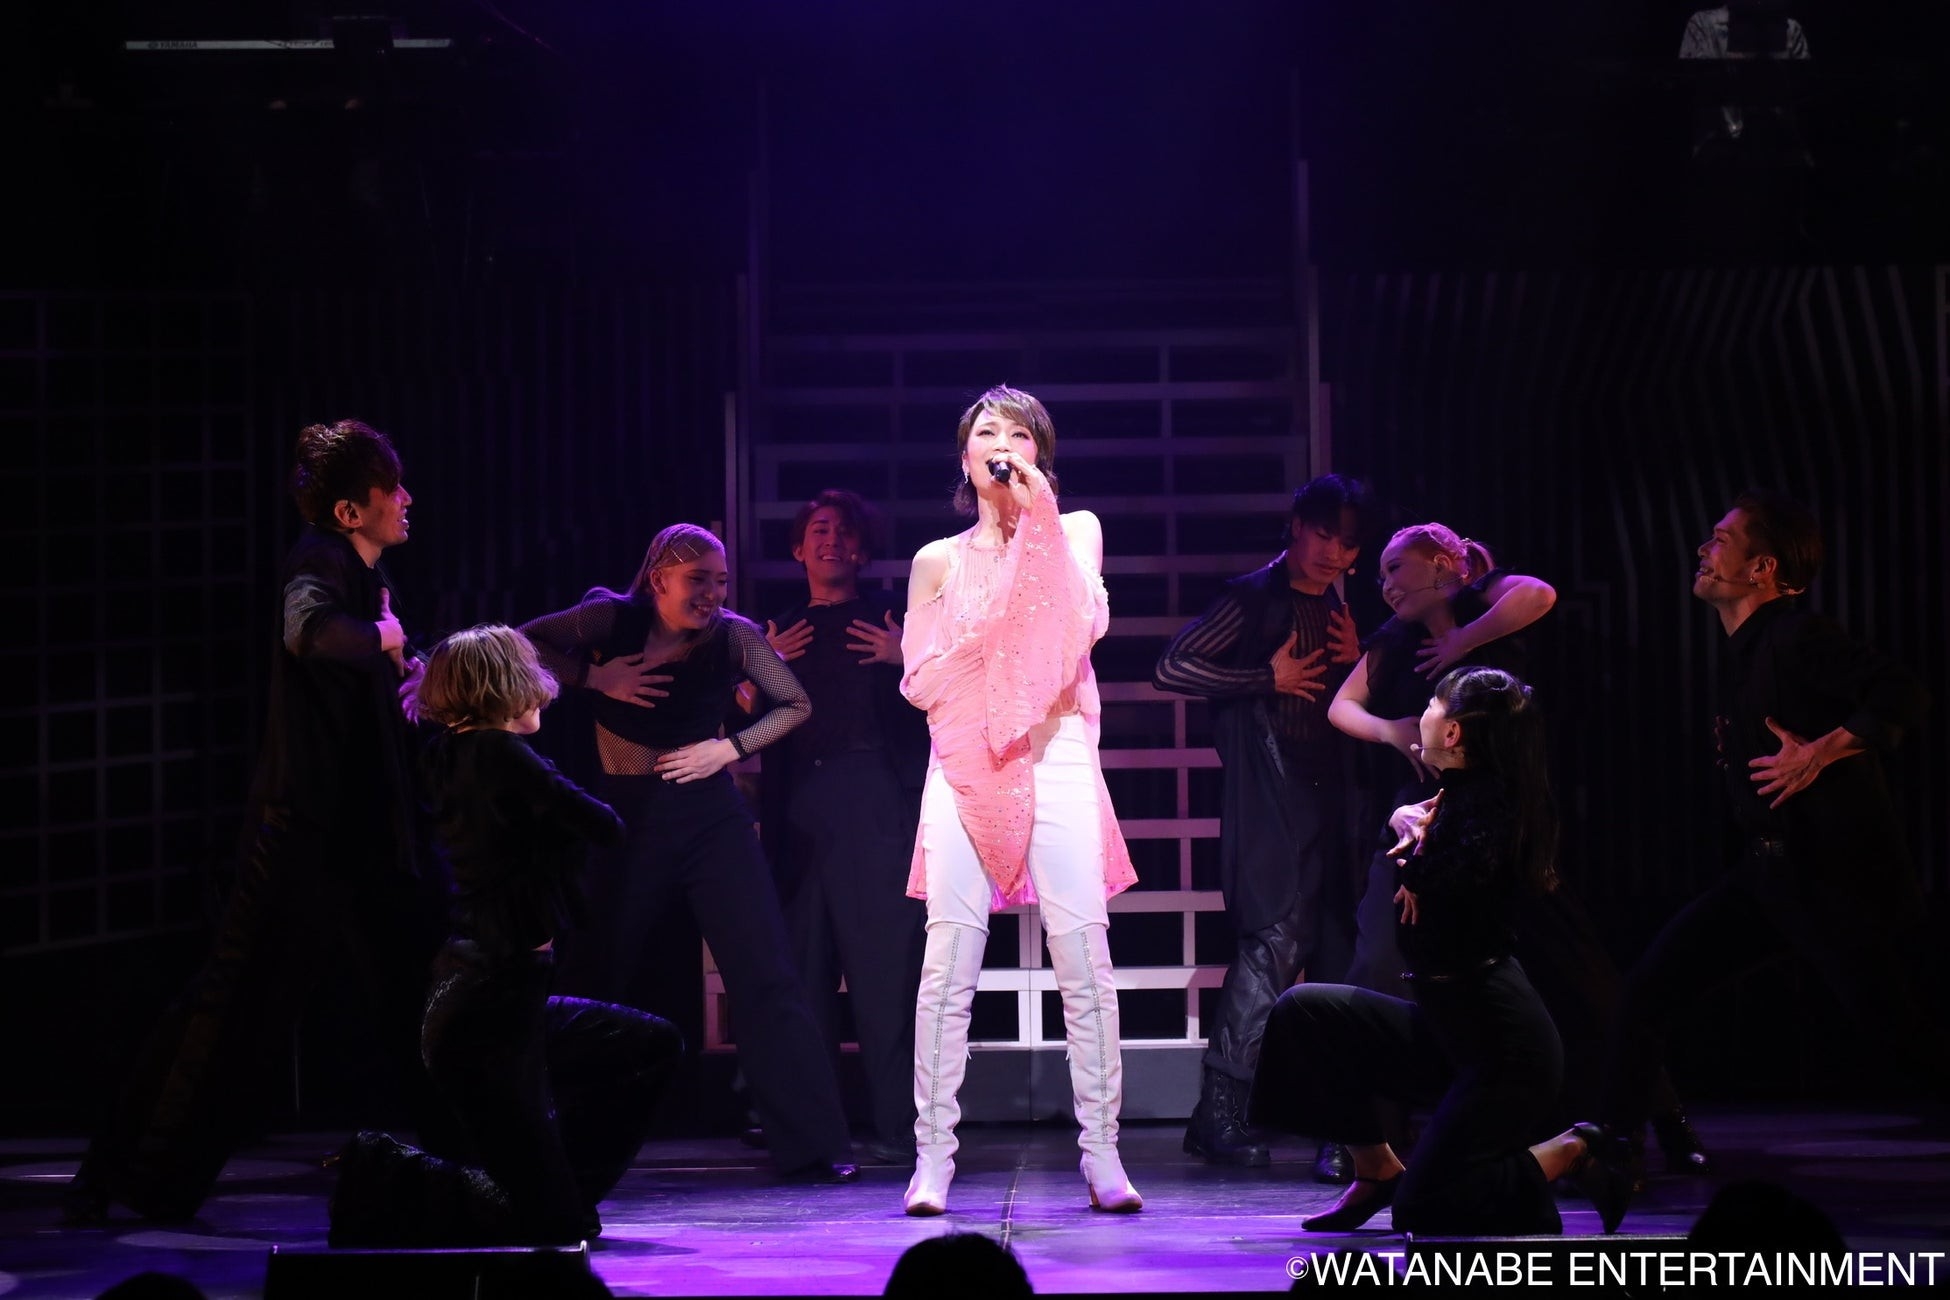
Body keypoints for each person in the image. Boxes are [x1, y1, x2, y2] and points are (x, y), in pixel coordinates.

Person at [66, 419, 449, 1225]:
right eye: (393, 489)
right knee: (233, 1007)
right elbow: (307, 631)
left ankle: (471, 1165)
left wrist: (405, 671)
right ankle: (130, 1176)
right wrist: (380, 636)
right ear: (350, 511)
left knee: (419, 995)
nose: (408, 499)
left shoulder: (368, 575)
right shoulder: (319, 562)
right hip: (302, 837)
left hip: (362, 834)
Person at [1596, 491, 1943, 1214]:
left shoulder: (1797, 634)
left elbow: (1902, 692)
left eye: (1720, 539)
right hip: (1769, 876)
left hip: (1838, 882)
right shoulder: (1743, 650)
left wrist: (1821, 751)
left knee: (1906, 1039)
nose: (1703, 549)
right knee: (1648, 990)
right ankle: (1617, 1152)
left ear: (1762, 567)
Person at [1330, 522, 1710, 1179]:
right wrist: (1391, 731)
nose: (1385, 584)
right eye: (1383, 573)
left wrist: (1463, 640)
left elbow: (1540, 593)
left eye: (1396, 568)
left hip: (1509, 816)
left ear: (1443, 564)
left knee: (1578, 973)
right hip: (1427, 816)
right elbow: (1343, 705)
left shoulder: (1489, 602)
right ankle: (1367, 1139)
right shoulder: (1395, 639)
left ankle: (1659, 1114)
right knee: (1379, 963)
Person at [519, 524, 859, 1183]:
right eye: (697, 579)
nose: (712, 593)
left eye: (721, 581)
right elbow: (520, 644)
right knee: (594, 971)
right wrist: (593, 676)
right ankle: (557, 1144)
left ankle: (812, 1145)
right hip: (624, 815)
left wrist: (728, 749)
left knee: (765, 972)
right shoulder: (608, 618)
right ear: (658, 580)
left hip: (708, 817)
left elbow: (795, 703)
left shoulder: (734, 636)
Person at [327, 625, 682, 1246]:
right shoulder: (498, 753)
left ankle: (562, 1189)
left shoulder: (448, 751)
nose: (541, 693)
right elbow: (603, 825)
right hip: (490, 1001)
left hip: (489, 992)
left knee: (648, 1044)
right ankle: (377, 1167)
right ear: (503, 688)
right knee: (551, 1223)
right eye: (528, 680)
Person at [1249, 667, 1631, 1236]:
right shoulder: (1455, 797)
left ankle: (1571, 1150)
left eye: (1432, 703)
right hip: (1447, 1032)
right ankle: (1377, 1170)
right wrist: (1401, 820)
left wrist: (1416, 857)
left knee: (1428, 1206)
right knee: (1304, 1012)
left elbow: (1457, 876)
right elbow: (1423, 846)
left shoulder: (1489, 812)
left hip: (1504, 1055)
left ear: (1453, 732)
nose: (1422, 712)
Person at [898, 384, 1142, 1215]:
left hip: (1056, 744)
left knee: (1084, 957)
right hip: (965, 756)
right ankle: (933, 1157)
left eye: (1018, 434)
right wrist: (985, 655)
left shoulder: (1076, 531)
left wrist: (1035, 516)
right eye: (985, 433)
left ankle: (1102, 1153)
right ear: (965, 457)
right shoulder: (936, 560)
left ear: (1039, 455)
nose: (1000, 444)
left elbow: (1081, 626)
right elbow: (920, 679)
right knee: (947, 964)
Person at [1151, 475, 1369, 1173]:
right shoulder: (1252, 597)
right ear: (1296, 526)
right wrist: (1260, 680)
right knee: (1272, 941)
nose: (1333, 553)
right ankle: (1219, 1115)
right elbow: (1172, 666)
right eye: (1324, 534)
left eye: (1347, 543)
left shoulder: (1340, 605)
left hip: (1336, 795)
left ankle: (1344, 1128)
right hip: (1272, 792)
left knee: (1341, 950)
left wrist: (1359, 660)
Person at [758, 489, 930, 1165]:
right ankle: (812, 1130)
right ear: (798, 548)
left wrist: (909, 657)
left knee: (885, 973)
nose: (832, 540)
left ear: (862, 550)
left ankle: (898, 1129)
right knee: (802, 974)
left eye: (846, 531)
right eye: (819, 530)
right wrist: (760, 671)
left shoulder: (897, 618)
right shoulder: (773, 631)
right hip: (798, 809)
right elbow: (735, 721)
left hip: (874, 800)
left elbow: (955, 695)